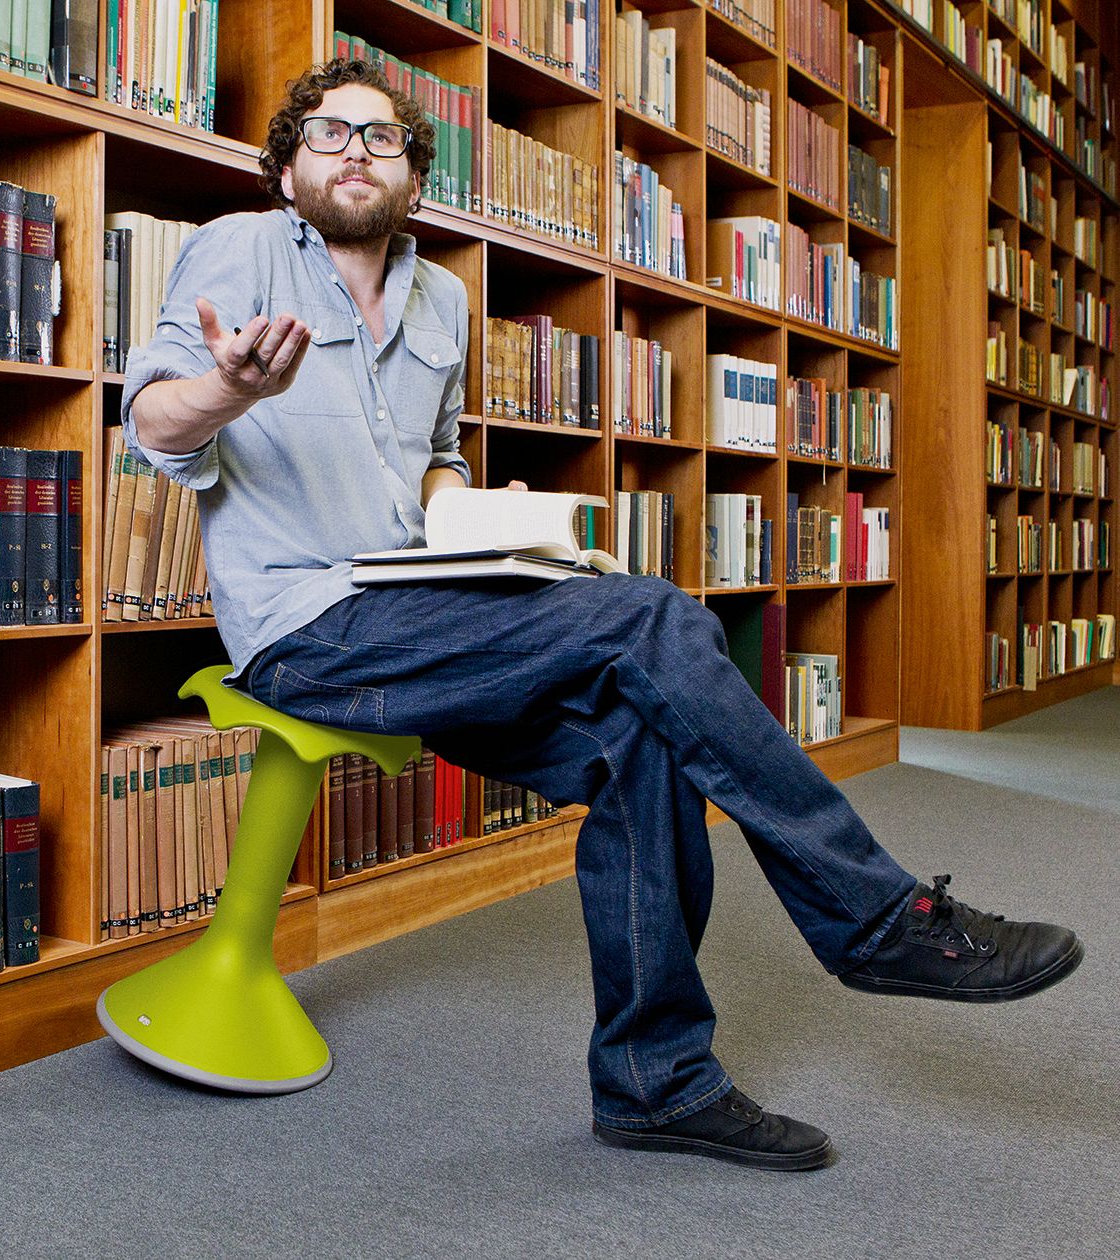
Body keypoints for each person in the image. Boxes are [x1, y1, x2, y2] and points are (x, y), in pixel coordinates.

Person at [122, 58, 1084, 1171]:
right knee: (652, 621)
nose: (354, 151)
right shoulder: (240, 250)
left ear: (411, 177)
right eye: (328, 134)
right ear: (288, 169)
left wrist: (481, 516)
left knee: (641, 743)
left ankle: (654, 1084)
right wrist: (230, 389)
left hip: (427, 609)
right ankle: (876, 920)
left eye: (380, 138)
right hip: (309, 631)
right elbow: (156, 425)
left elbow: (429, 467)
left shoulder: (441, 297)